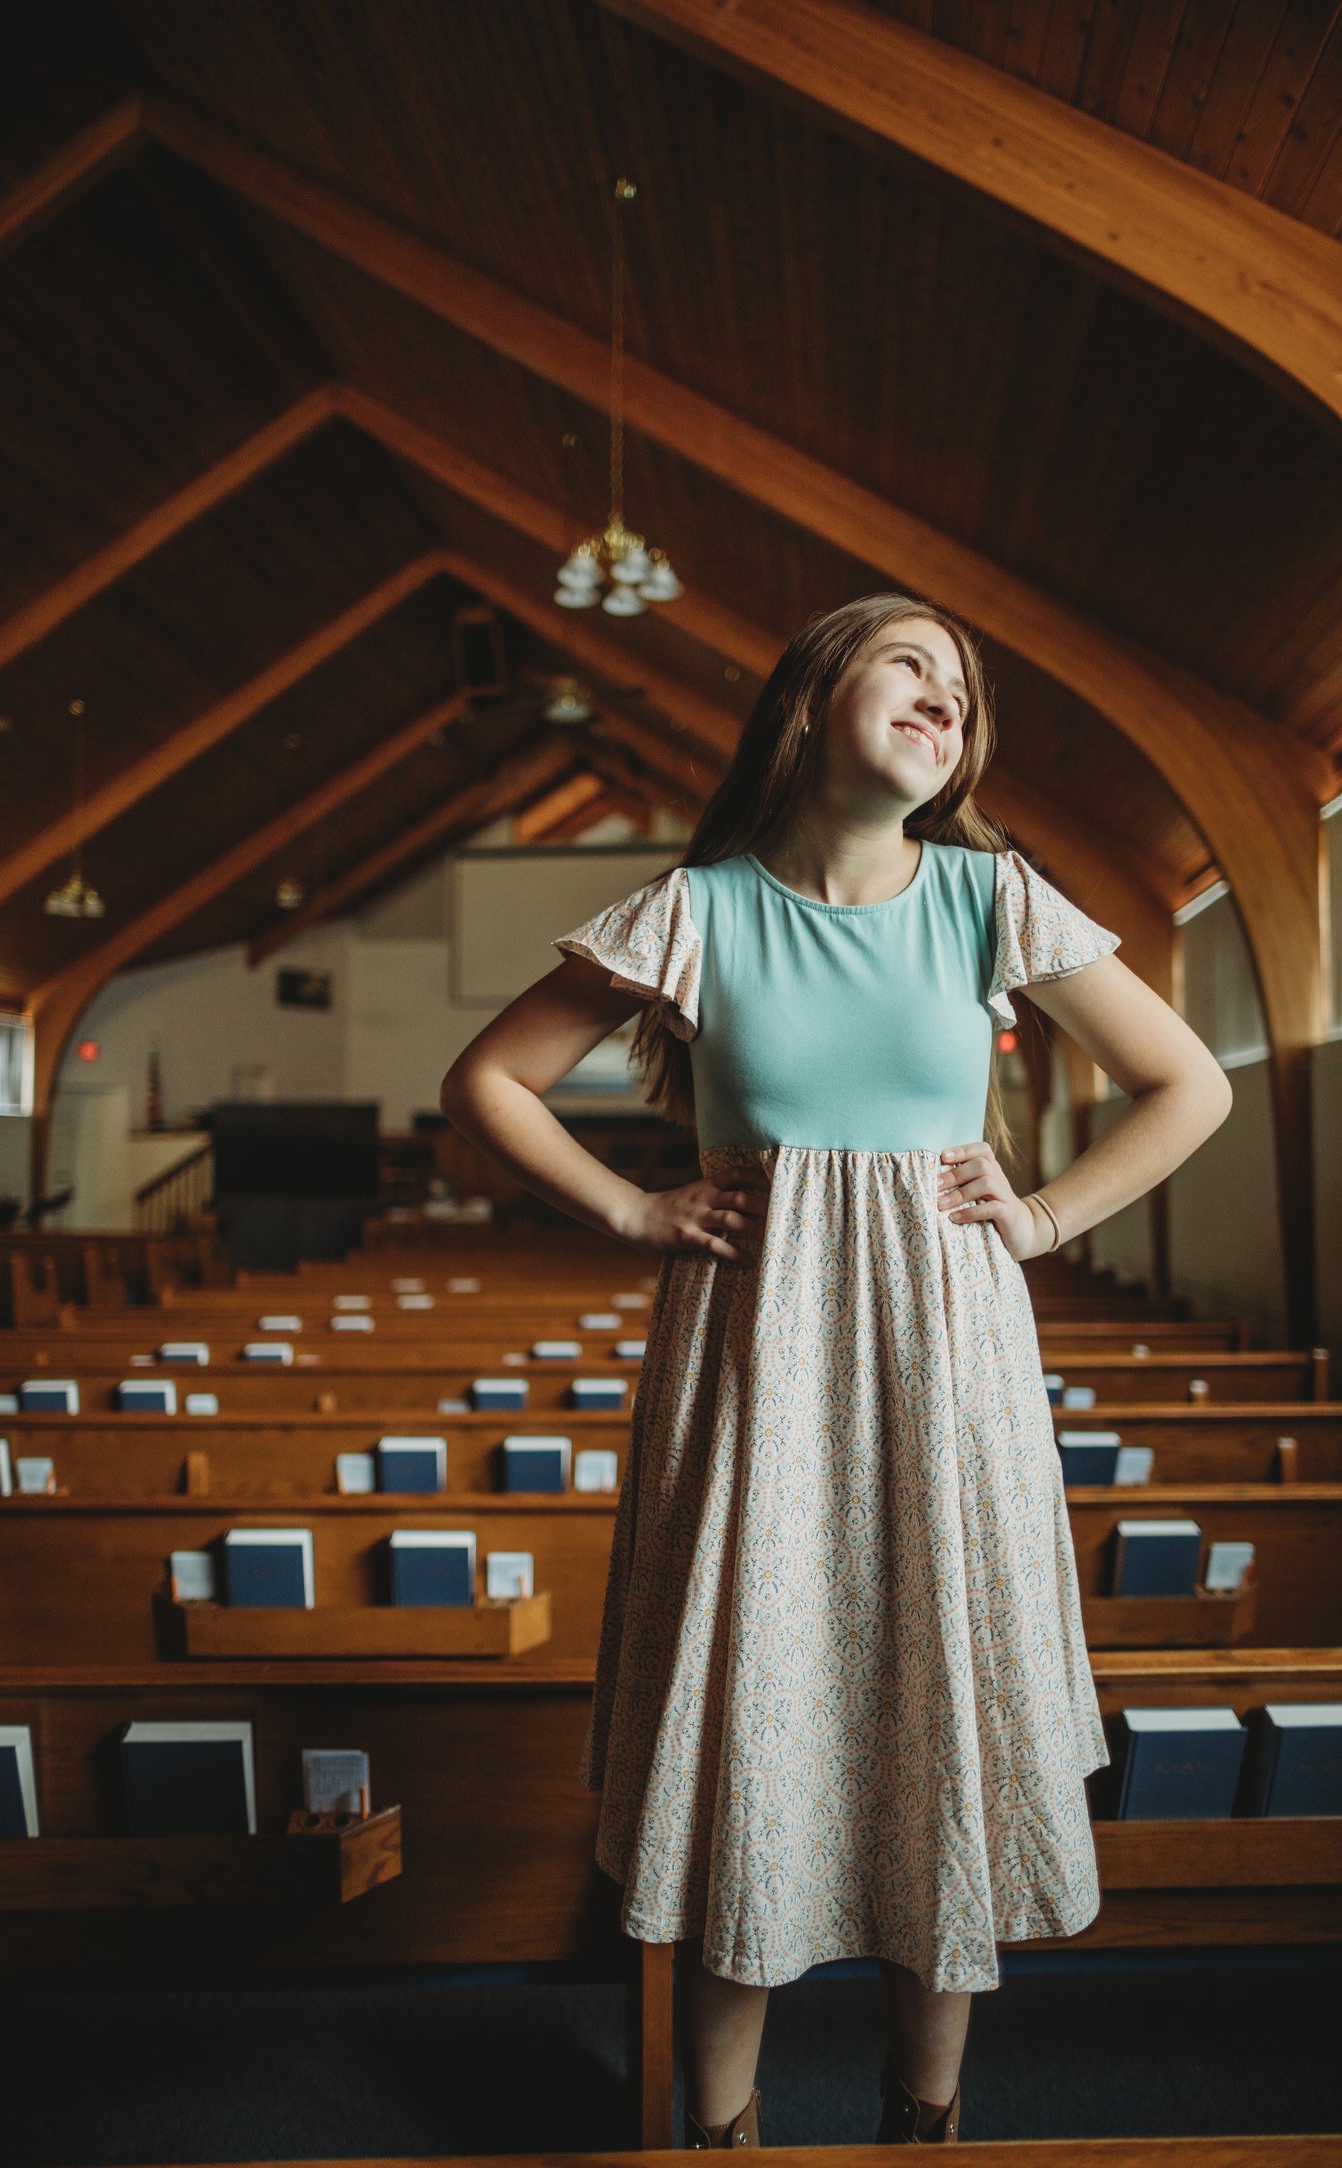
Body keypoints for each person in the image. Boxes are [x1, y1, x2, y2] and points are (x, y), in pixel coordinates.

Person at [439, 593, 1231, 2147]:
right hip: (756, 1361)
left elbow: (1187, 1082)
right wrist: (630, 1207)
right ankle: (721, 2133)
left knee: (941, 1703)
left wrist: (1050, 1213)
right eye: (910, 667)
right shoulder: (701, 908)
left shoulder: (990, 897)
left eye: (962, 688)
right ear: (812, 705)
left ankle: (915, 2122)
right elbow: (485, 1081)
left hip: (947, 1362)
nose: (946, 699)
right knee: (756, 1705)